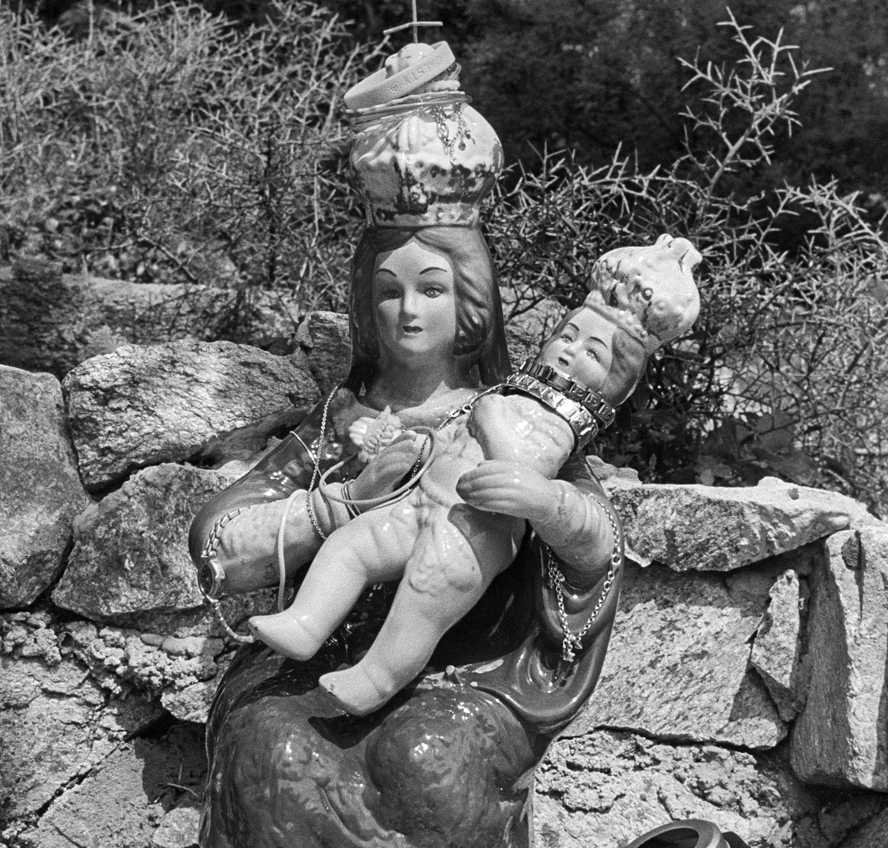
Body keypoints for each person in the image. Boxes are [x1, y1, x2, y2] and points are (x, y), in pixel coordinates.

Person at [136, 41, 627, 848]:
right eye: (393, 288)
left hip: (466, 675)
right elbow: (216, 540)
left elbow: (589, 556)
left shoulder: (520, 417)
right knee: (269, 736)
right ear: (366, 298)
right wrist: (329, 509)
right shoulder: (336, 423)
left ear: (472, 300)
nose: (411, 309)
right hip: (328, 651)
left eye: (435, 288)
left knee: (427, 755)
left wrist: (547, 509)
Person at [250, 239, 702, 715]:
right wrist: (413, 448)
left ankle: (374, 681)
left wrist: (491, 424)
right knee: (353, 544)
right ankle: (305, 622)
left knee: (422, 600)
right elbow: (449, 438)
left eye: (592, 353)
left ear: (614, 380)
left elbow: (514, 476)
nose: (569, 353)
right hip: (419, 501)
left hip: (470, 531)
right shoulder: (504, 394)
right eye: (567, 336)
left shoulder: (555, 428)